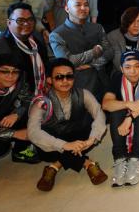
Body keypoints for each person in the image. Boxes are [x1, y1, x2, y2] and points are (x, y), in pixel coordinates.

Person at [28, 58, 108, 191]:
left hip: (80, 140)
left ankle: (55, 166)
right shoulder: (42, 102)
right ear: (50, 80)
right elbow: (33, 132)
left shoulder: (84, 94)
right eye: (59, 77)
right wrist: (64, 145)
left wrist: (92, 139)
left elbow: (99, 114)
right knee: (46, 148)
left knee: (89, 123)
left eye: (69, 76)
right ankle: (87, 163)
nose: (65, 81)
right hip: (53, 145)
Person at [102, 50, 139, 187]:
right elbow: (106, 104)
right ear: (121, 68)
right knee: (117, 110)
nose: (133, 71)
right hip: (123, 129)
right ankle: (120, 158)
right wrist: (128, 104)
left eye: (137, 66)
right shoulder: (116, 78)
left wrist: (129, 118)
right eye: (127, 67)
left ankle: (136, 158)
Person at [49, 0, 113, 100]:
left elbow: (110, 52)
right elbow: (68, 61)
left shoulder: (97, 27)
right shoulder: (57, 35)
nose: (83, 8)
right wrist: (94, 52)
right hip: (77, 87)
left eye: (86, 5)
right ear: (67, 9)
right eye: (78, 5)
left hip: (103, 82)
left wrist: (92, 64)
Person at [0, 3, 48, 95]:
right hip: (13, 99)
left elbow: (46, 64)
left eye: (30, 19)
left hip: (40, 93)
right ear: (9, 23)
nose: (26, 23)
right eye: (20, 20)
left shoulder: (38, 39)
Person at [0, 54, 34, 173]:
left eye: (15, 72)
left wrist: (17, 113)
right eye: (4, 71)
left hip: (0, 116)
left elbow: (27, 99)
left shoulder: (20, 80)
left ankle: (20, 151)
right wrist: (14, 133)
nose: (10, 76)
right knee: (0, 147)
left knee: (33, 112)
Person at [107, 7, 139, 74]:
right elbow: (118, 64)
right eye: (132, 21)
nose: (136, 25)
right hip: (121, 73)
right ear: (126, 22)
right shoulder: (114, 36)